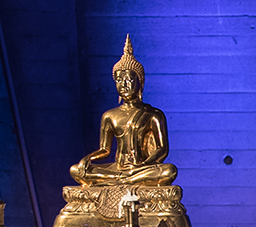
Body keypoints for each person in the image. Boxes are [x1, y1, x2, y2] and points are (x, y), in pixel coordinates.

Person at [71, 35, 177, 186]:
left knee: (169, 171)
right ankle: (124, 179)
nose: (124, 85)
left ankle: (123, 180)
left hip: (141, 168)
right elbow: (104, 150)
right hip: (117, 168)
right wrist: (88, 158)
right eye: (119, 80)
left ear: (140, 82)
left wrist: (143, 165)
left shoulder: (153, 114)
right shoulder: (109, 115)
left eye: (129, 80)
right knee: (76, 170)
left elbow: (162, 149)